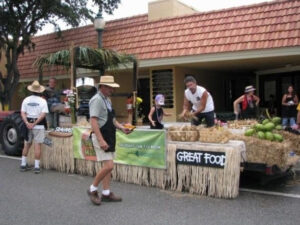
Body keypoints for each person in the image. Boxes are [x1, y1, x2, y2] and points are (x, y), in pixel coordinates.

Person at [87, 75, 131, 206]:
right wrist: (100, 140)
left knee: (108, 168)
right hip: (102, 136)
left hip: (109, 135)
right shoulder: (97, 100)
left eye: (112, 87)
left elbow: (112, 119)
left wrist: (122, 128)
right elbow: (93, 121)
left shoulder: (107, 100)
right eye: (109, 87)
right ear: (102, 87)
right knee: (109, 166)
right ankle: (92, 189)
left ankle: (106, 193)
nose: (112, 89)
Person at [20, 80, 49, 174]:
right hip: (39, 126)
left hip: (28, 124)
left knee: (27, 145)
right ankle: (36, 167)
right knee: (37, 146)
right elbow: (43, 115)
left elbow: (23, 113)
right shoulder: (42, 101)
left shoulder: (26, 100)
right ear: (40, 91)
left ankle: (23, 164)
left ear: (31, 90)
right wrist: (35, 123)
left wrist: (27, 123)